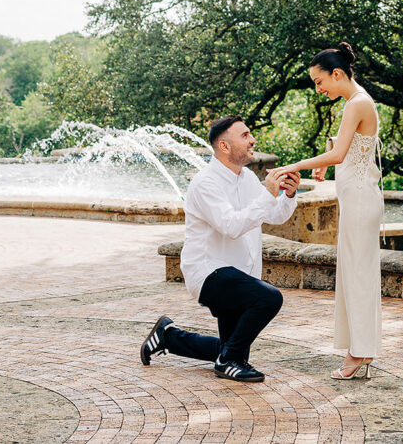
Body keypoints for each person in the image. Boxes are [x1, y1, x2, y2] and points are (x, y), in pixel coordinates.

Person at [141, 115, 300, 382]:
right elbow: (231, 225)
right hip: (209, 273)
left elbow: (273, 215)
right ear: (225, 146)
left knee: (233, 348)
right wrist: (267, 194)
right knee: (269, 299)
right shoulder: (206, 183)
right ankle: (227, 362)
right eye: (245, 135)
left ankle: (169, 336)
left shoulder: (247, 178)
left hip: (239, 275)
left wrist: (288, 195)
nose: (253, 140)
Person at [269, 42, 382, 380]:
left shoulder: (357, 103)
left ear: (336, 74)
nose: (318, 89)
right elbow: (351, 148)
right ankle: (359, 348)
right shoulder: (356, 101)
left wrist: (295, 165)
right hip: (356, 200)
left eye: (319, 82)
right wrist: (329, 157)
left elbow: (339, 155)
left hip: (361, 201)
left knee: (358, 276)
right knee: (353, 274)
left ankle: (359, 352)